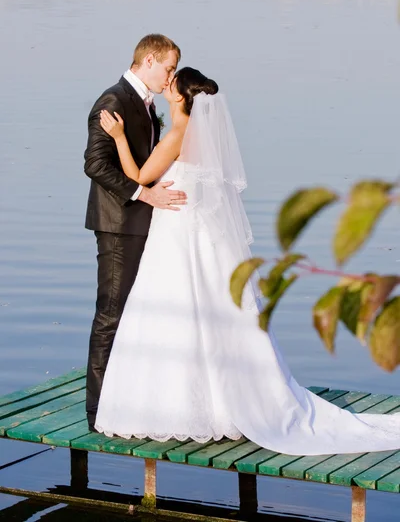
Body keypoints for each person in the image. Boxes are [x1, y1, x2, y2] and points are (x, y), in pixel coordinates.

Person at [95, 67, 400, 455]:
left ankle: (178, 407)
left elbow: (138, 175)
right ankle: (216, 405)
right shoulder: (204, 139)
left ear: (179, 96)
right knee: (206, 309)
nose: (166, 83)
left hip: (175, 234)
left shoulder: (178, 134)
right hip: (199, 234)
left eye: (171, 82)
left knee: (175, 309)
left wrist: (119, 137)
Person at [84, 34, 187, 432]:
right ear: (148, 61)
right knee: (111, 313)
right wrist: (144, 193)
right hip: (117, 224)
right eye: (168, 68)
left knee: (132, 313)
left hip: (141, 225)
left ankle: (123, 398)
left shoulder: (145, 104)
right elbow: (95, 164)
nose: (171, 77)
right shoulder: (112, 101)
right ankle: (97, 411)